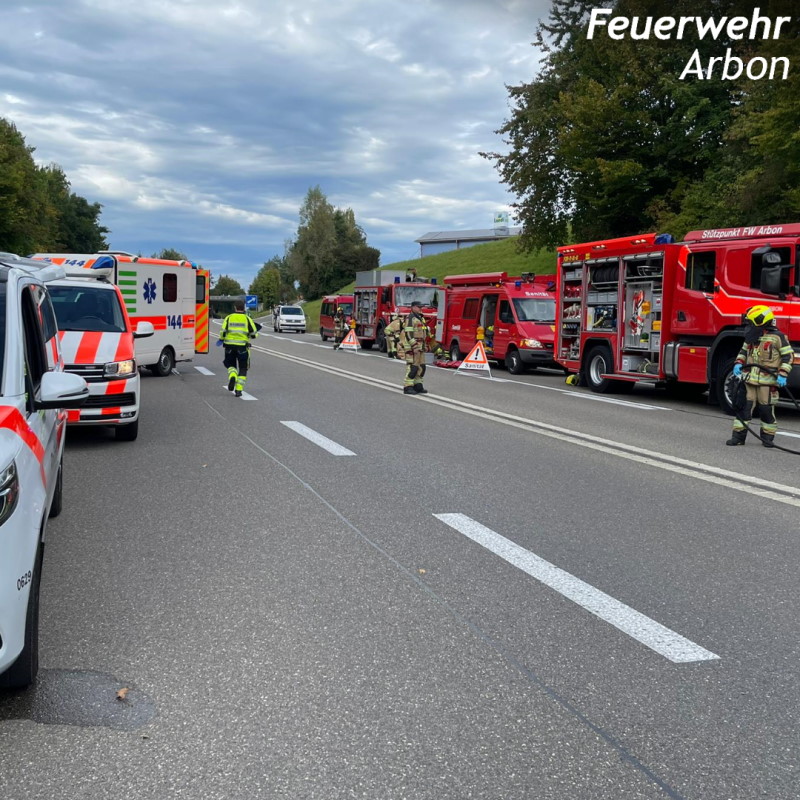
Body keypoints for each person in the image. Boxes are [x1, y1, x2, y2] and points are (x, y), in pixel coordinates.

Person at [726, 304, 792, 447]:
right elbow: (743, 352)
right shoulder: (751, 337)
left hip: (767, 383)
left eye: (750, 323)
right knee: (743, 408)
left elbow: (788, 356)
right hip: (749, 381)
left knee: (766, 410)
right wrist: (738, 363)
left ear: (761, 322)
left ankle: (767, 438)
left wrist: (783, 374)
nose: (748, 327)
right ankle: (738, 437)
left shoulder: (778, 338)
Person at [400, 300, 443, 395]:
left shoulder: (420, 318)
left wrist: (426, 345)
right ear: (413, 307)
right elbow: (408, 333)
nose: (421, 309)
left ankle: (418, 385)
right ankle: (408, 386)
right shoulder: (410, 318)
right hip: (412, 347)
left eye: (421, 307)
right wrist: (414, 346)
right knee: (412, 367)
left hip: (421, 346)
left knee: (421, 366)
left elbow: (424, 333)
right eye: (419, 307)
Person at [220, 301, 261, 397]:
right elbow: (254, 334)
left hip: (229, 346)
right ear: (244, 308)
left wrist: (222, 339)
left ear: (235, 308)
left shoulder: (229, 318)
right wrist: (250, 336)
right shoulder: (247, 319)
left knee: (230, 364)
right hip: (242, 347)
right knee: (243, 368)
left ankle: (232, 375)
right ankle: (238, 390)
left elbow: (223, 331)